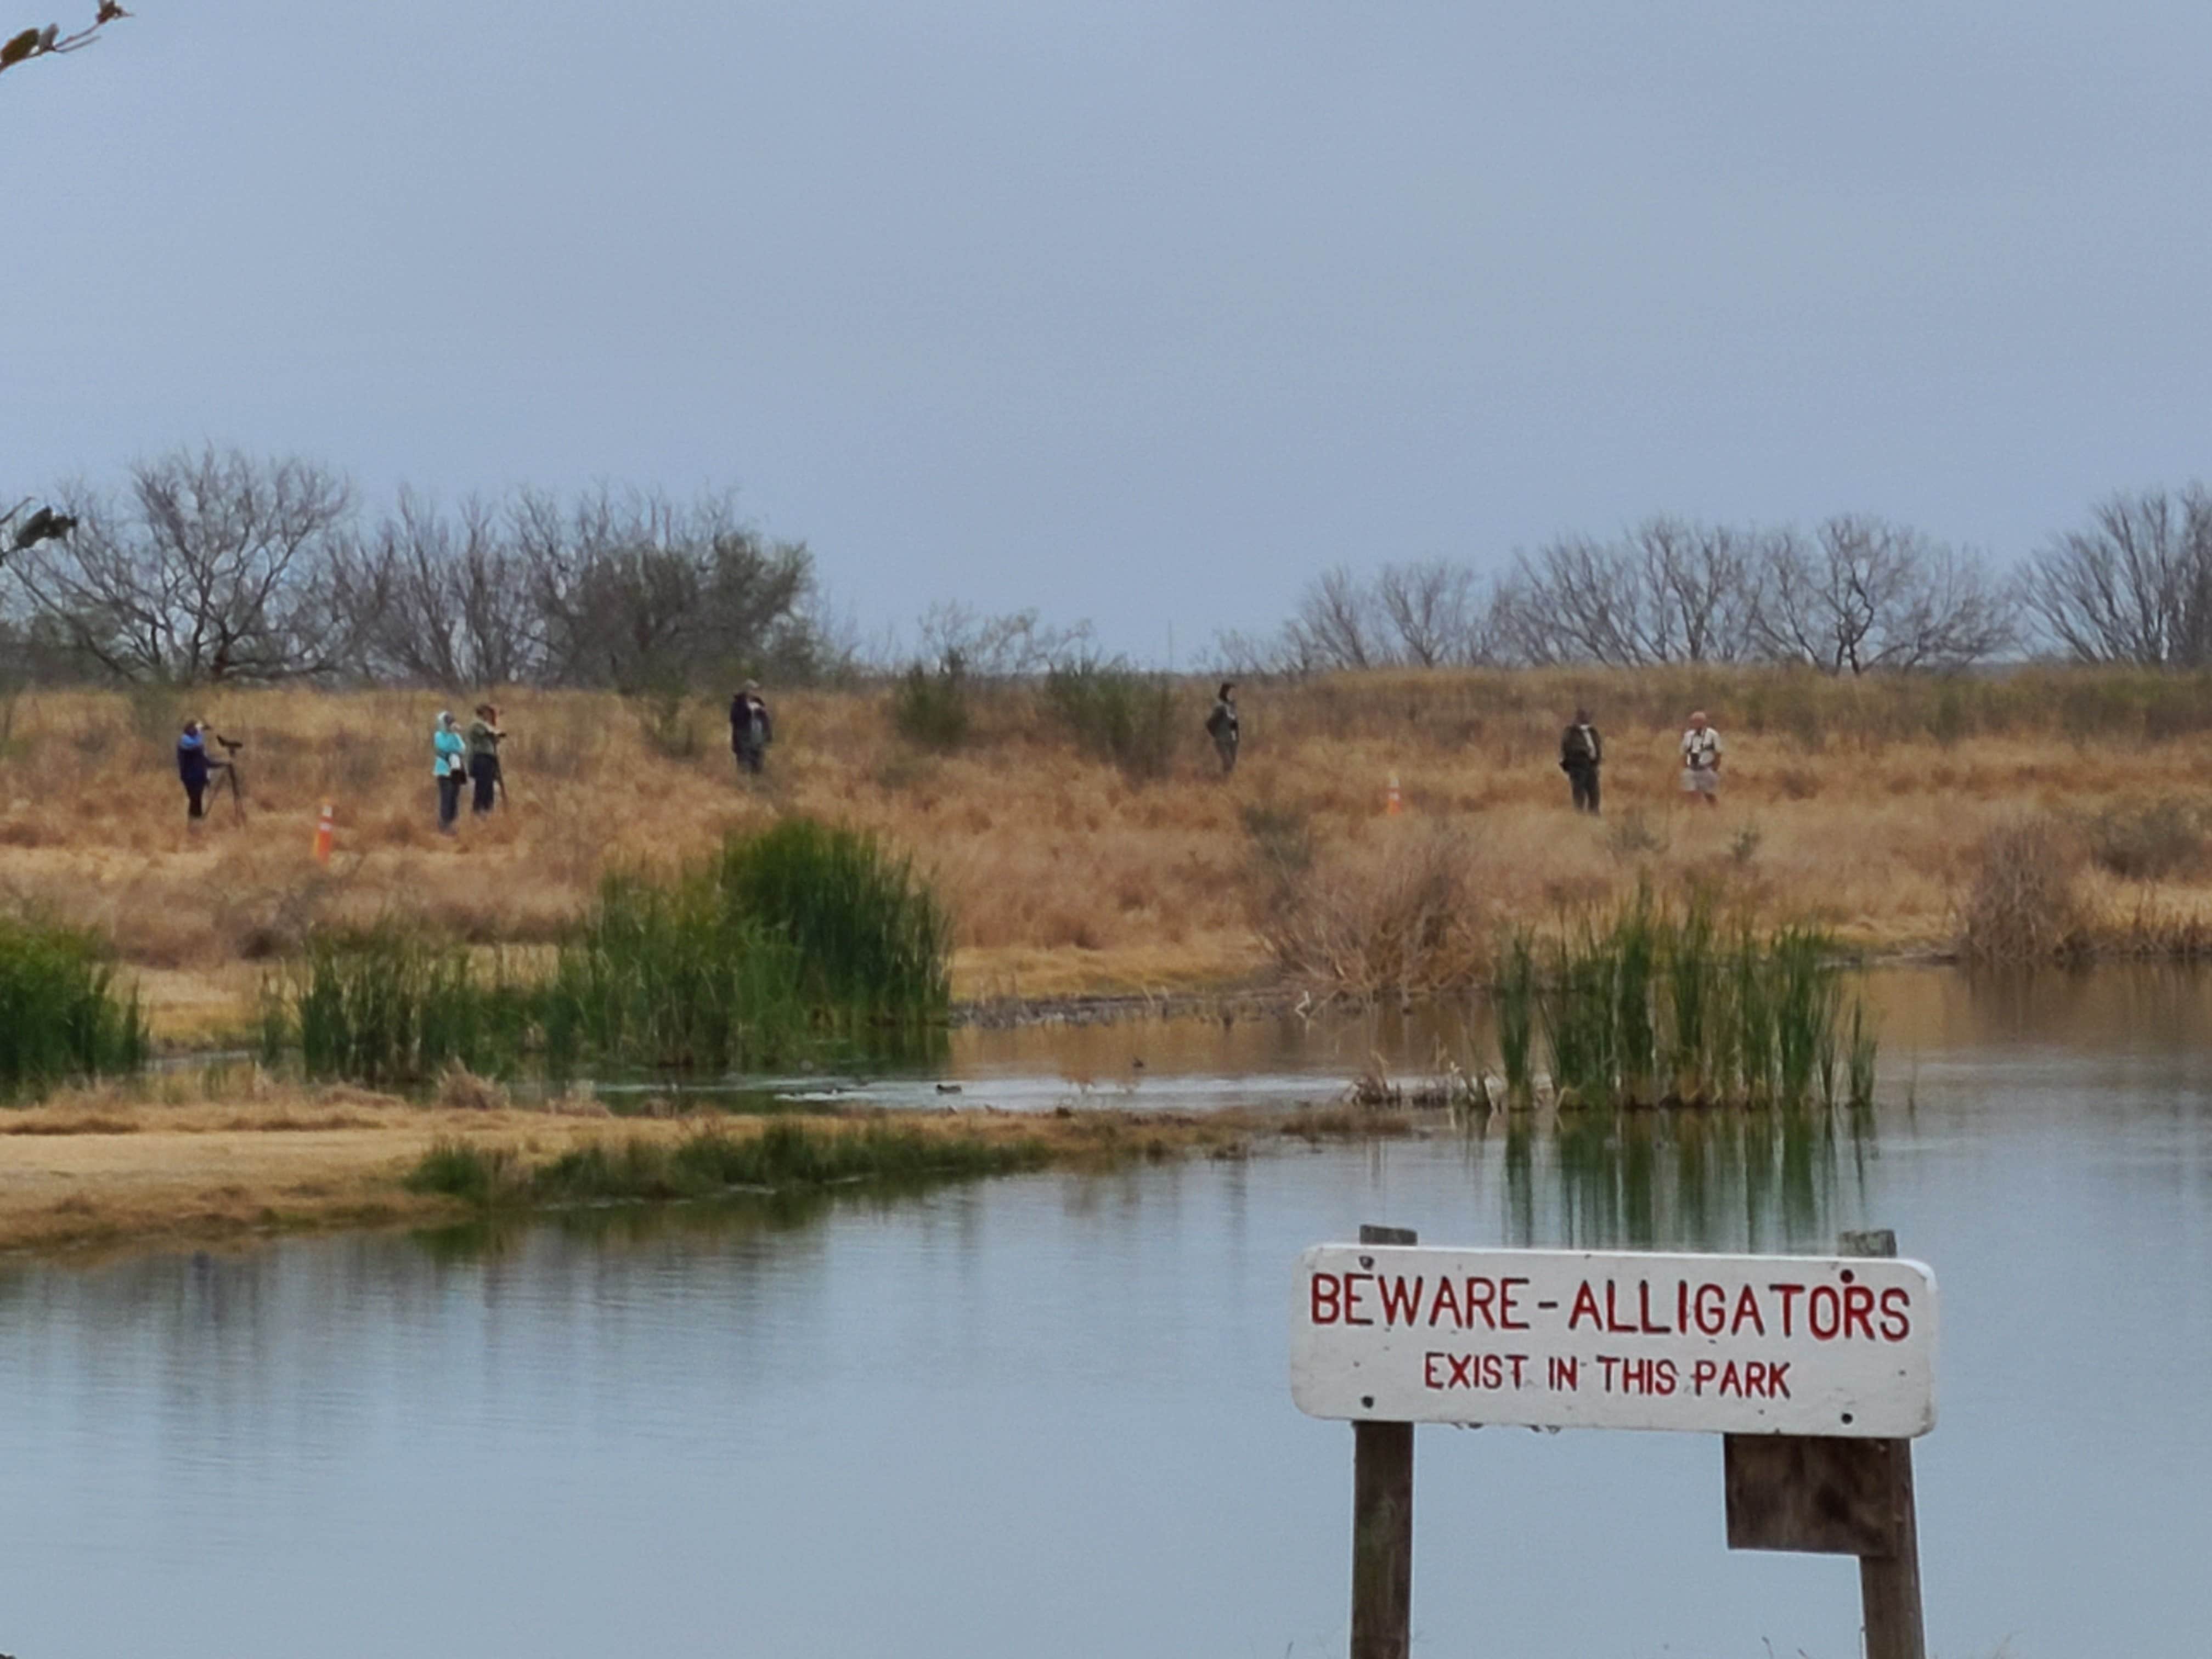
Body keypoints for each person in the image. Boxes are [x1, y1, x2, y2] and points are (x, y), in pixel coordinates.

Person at [1559, 707, 1602, 814]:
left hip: (1592, 765)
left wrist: (1597, 760)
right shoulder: (1571, 732)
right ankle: (1579, 815)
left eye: (1588, 716)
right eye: (1584, 716)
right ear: (1578, 717)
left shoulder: (1593, 731)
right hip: (1578, 766)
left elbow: (1598, 746)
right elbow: (1566, 748)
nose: (1587, 718)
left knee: (1594, 792)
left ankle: (1594, 814)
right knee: (1579, 792)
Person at [465, 703, 505, 816]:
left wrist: (495, 721)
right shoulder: (477, 724)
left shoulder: (486, 725)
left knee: (489, 788)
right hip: (481, 759)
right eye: (488, 712)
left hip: (489, 760)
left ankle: (487, 811)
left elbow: (496, 738)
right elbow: (491, 733)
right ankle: (478, 812)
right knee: (482, 787)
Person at [432, 711, 467, 832]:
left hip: (456, 770)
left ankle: (452, 823)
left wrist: (455, 735)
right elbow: (444, 748)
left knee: (454, 797)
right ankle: (444, 824)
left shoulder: (456, 735)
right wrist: (453, 742)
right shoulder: (438, 735)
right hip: (443, 770)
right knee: (446, 797)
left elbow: (463, 749)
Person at [730, 680, 772, 777]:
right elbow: (735, 719)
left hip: (758, 739)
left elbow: (765, 721)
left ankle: (756, 786)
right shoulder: (738, 704)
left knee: (758, 766)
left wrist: (768, 735)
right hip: (743, 739)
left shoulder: (759, 703)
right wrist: (749, 711)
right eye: (753, 689)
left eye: (756, 689)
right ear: (747, 690)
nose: (755, 692)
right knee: (744, 765)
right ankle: (742, 788)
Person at [1680, 709, 1722, 806]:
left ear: (1704, 722)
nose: (1695, 724)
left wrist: (1715, 768)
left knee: (1710, 794)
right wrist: (1685, 766)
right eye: (1693, 721)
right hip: (1691, 768)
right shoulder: (1688, 735)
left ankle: (1716, 812)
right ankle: (1696, 814)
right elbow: (1683, 752)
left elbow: (1718, 753)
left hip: (1706, 768)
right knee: (1691, 793)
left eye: (1698, 721)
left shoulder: (1713, 735)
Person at [177, 719, 211, 822]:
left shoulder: (196, 742)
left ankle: (196, 826)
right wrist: (200, 732)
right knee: (195, 801)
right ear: (189, 729)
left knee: (197, 801)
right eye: (195, 729)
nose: (197, 731)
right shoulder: (185, 741)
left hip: (199, 777)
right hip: (191, 778)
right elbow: (194, 747)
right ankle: (194, 826)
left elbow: (204, 761)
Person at [1205, 681, 1240, 774]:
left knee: (1232, 764)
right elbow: (1210, 723)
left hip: (1233, 739)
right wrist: (1216, 735)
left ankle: (1227, 783)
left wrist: (1236, 738)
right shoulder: (1220, 707)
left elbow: (1234, 723)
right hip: (1222, 739)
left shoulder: (1233, 706)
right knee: (1228, 763)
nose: (1233, 694)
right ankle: (1223, 782)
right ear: (1225, 692)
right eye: (1231, 692)